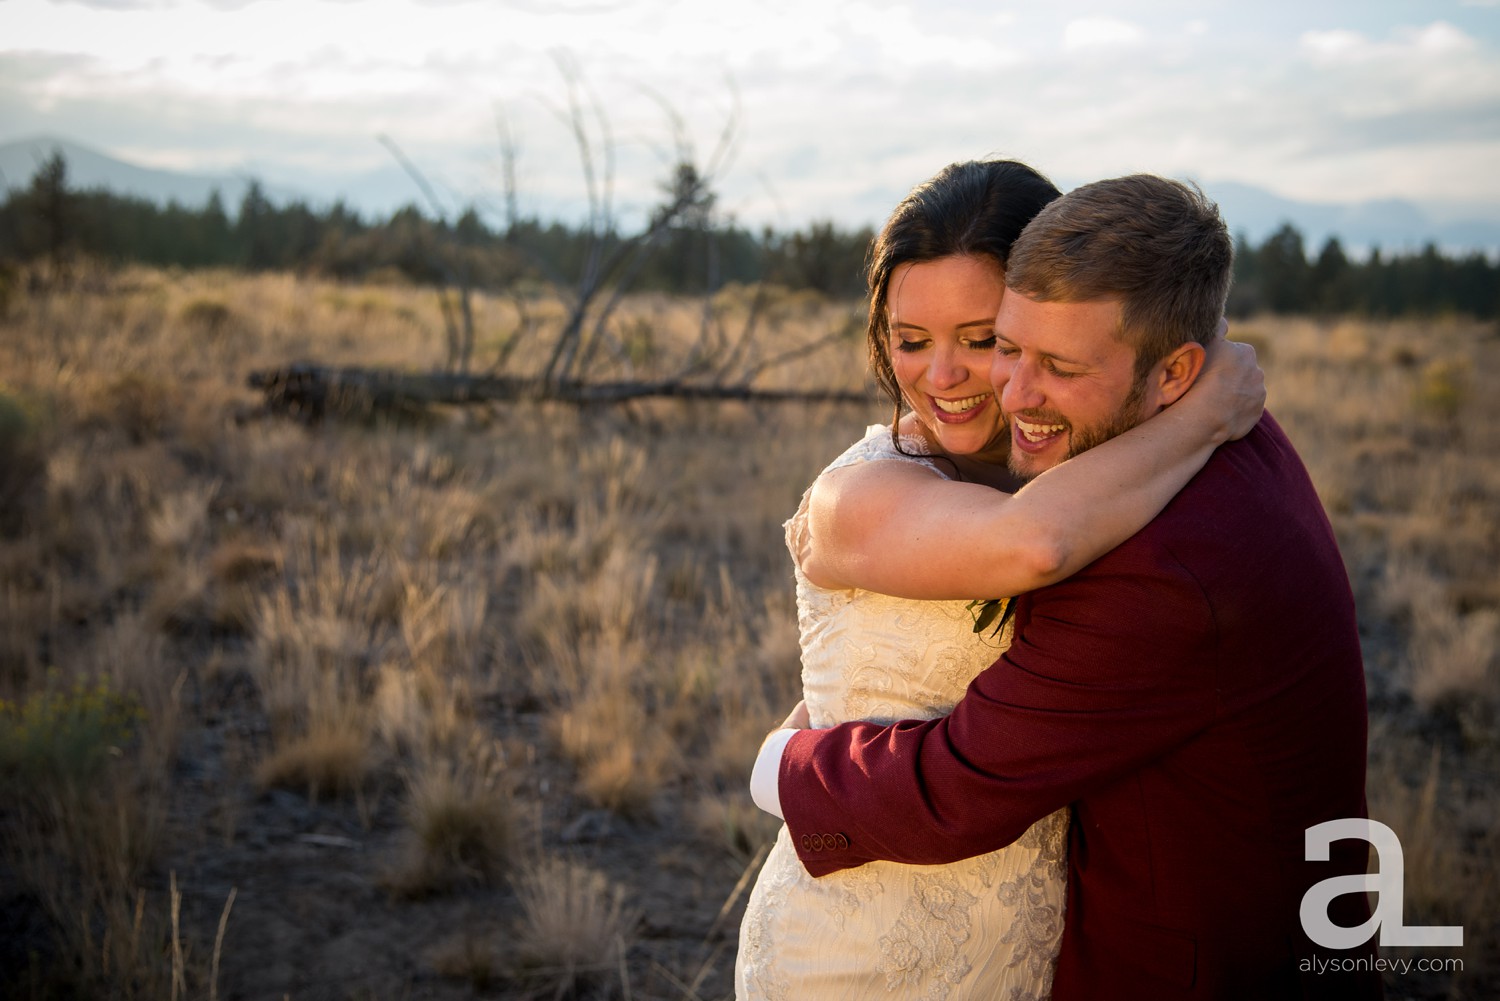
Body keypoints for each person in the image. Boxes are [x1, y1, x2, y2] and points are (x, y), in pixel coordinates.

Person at [751, 174, 1381, 1000]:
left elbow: (964, 777)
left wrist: (784, 763)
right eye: (1007, 347)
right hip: (874, 928)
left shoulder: (1154, 550)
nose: (999, 387)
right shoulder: (1212, 433)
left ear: (1173, 369)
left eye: (985, 338)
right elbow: (1037, 539)